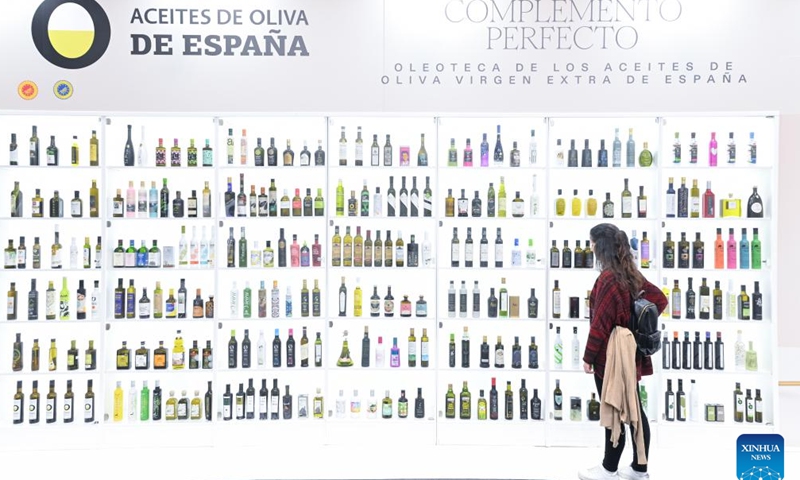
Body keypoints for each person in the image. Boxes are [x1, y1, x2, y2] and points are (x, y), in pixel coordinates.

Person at [578, 223, 667, 480]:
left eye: (593, 243)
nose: (591, 247)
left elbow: (601, 324)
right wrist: (633, 324)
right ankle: (640, 468)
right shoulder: (631, 274)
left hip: (612, 353)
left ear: (601, 246)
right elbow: (659, 300)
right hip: (630, 352)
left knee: (613, 408)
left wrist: (588, 358)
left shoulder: (607, 278)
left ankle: (609, 468)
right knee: (635, 410)